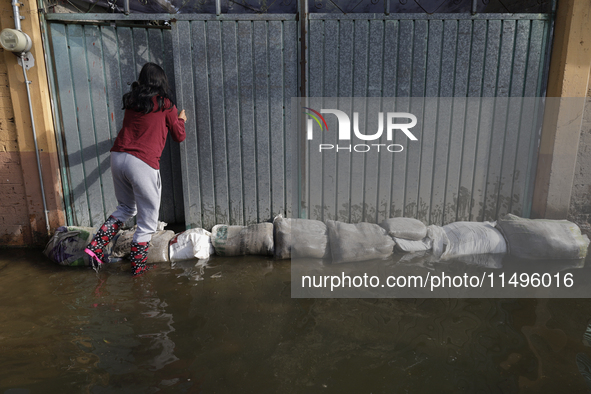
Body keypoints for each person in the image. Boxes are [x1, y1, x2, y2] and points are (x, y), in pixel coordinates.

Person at [84, 62, 187, 276]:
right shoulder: (165, 104)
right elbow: (179, 136)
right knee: (148, 220)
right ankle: (138, 269)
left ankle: (95, 248)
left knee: (125, 208)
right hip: (142, 162)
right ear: (162, 82)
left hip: (118, 156)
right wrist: (181, 120)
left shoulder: (132, 101)